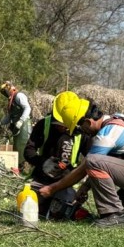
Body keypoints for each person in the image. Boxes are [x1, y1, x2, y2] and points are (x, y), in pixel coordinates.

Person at [38, 94, 124, 228]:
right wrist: (84, 188)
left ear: (88, 121)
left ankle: (114, 215)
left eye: (81, 127)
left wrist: (52, 189)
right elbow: (103, 165)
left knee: (92, 161)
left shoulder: (107, 135)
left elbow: (88, 165)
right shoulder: (117, 119)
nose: (82, 131)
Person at [23, 91, 84, 220]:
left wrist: (82, 186)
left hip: (65, 182)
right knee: (27, 203)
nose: (61, 128)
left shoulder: (81, 132)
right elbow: (28, 151)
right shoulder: (43, 124)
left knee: (62, 212)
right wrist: (44, 162)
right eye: (58, 124)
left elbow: (92, 160)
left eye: (65, 125)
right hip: (41, 180)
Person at [0, 81, 32, 166]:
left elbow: (27, 108)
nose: (4, 94)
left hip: (24, 125)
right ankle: (17, 167)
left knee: (23, 145)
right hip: (17, 125)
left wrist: (21, 120)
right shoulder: (10, 101)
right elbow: (9, 116)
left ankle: (24, 166)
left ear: (9, 88)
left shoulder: (19, 96)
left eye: (5, 91)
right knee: (16, 146)